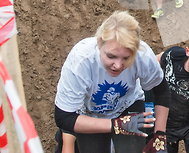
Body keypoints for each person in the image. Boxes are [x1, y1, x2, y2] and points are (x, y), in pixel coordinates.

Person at [54, 11, 170, 153]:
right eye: (111, 56)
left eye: (126, 58)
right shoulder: (81, 60)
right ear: (99, 43)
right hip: (90, 113)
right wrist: (115, 125)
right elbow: (63, 117)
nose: (118, 65)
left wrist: (160, 135)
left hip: (128, 106)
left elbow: (162, 91)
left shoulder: (143, 55)